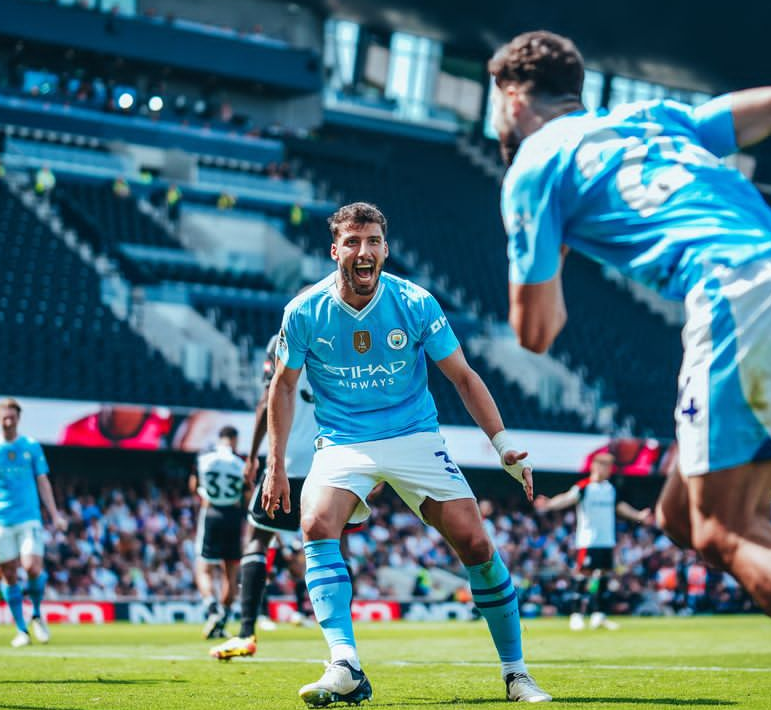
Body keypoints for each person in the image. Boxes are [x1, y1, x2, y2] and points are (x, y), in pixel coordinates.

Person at [489, 31, 771, 709]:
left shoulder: (531, 168)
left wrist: (544, 246)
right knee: (680, 515)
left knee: (725, 531)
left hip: (737, 302)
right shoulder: (646, 120)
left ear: (513, 96)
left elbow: (535, 332)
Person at [261, 202, 551, 706]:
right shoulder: (304, 312)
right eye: (352, 242)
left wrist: (503, 443)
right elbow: (282, 388)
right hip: (344, 441)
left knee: (476, 546)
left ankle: (516, 674)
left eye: (372, 241)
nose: (363, 251)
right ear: (335, 251)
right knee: (315, 525)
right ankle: (344, 663)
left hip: (414, 436)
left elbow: (462, 376)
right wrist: (276, 465)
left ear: (385, 250)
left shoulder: (416, 302)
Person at [209, 334, 317, 660]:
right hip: (331, 458)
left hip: (290, 461)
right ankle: (343, 645)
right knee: (336, 544)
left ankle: (246, 633)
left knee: (257, 538)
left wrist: (254, 454)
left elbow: (266, 399)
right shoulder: (341, 334)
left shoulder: (282, 338)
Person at [534, 451, 651, 631]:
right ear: (596, 466)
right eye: (605, 466)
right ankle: (576, 615)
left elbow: (620, 507)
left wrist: (638, 515)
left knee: (603, 578)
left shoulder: (610, 489)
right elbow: (567, 498)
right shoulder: (584, 487)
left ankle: (598, 616)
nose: (609, 470)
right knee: (583, 576)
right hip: (588, 541)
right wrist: (550, 504)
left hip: (607, 541)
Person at [0, 398, 67, 647]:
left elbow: (43, 481)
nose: (8, 420)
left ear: (18, 417)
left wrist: (54, 513)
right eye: (4, 416)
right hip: (2, 521)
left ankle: (37, 614)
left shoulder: (31, 445)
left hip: (29, 518)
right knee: (8, 574)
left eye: (12, 416)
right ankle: (21, 630)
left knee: (32, 567)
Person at [191, 426, 246, 639]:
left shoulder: (204, 457)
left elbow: (194, 485)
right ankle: (222, 618)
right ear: (234, 439)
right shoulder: (241, 460)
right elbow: (247, 492)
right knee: (230, 572)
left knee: (203, 567)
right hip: (233, 514)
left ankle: (212, 608)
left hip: (211, 511)